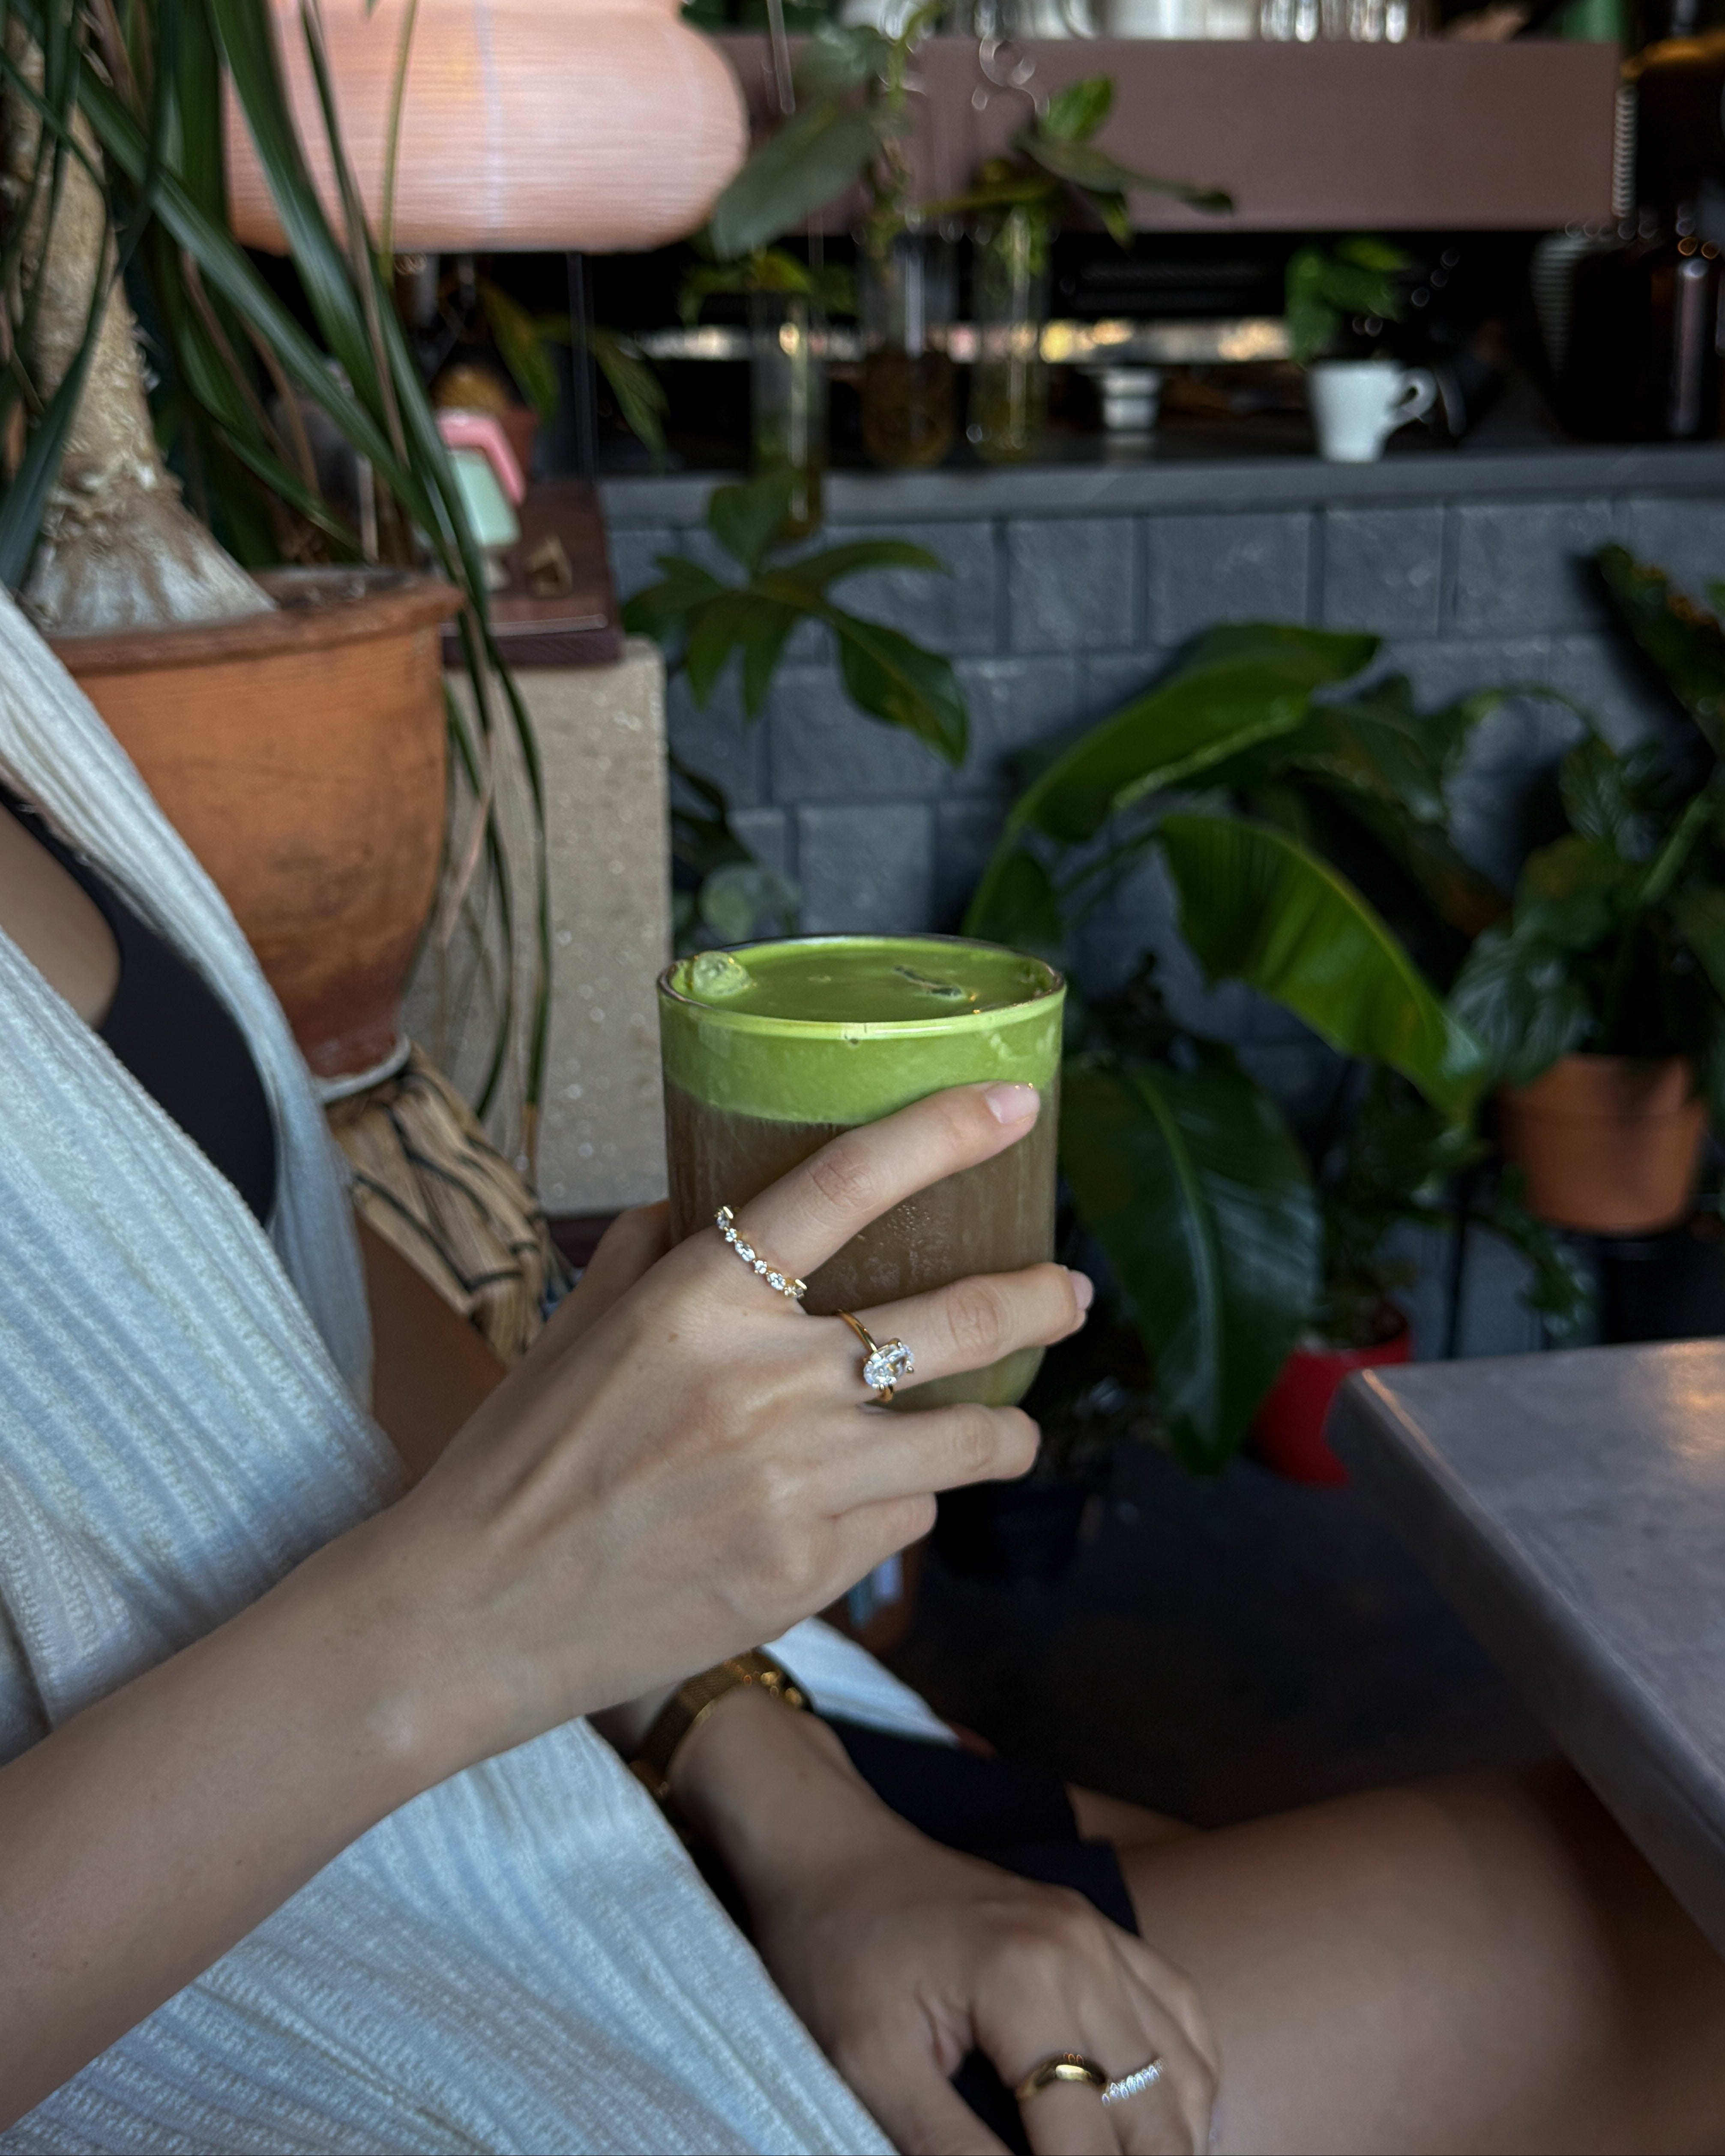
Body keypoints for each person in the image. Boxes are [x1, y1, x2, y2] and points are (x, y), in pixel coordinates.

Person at [1, 584, 1723, 2156]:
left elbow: (289, 1295)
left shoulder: (22, 691)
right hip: (364, 1989)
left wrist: (772, 1782)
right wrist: (462, 1621)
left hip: (581, 1775)